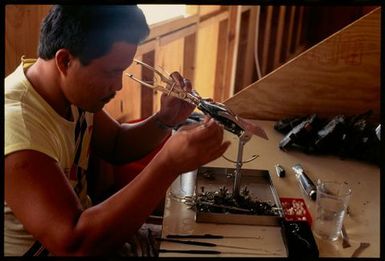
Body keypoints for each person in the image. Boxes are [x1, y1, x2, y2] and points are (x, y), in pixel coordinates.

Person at [4, 5, 230, 256]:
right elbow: (74, 244)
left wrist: (165, 120)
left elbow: (116, 144)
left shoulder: (65, 90)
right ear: (65, 60)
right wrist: (168, 164)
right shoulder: (18, 126)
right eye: (111, 72)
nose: (118, 85)